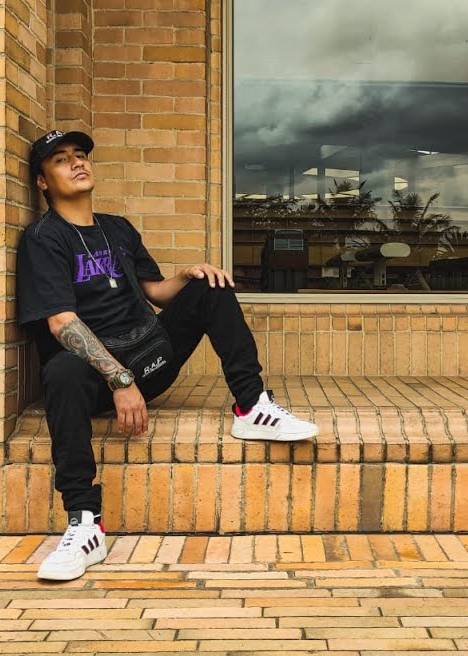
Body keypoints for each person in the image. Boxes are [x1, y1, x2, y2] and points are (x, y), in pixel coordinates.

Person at [16, 129, 318, 581]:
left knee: (210, 285)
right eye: (61, 159)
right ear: (42, 181)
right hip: (95, 379)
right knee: (61, 370)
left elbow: (155, 292)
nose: (77, 163)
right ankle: (85, 523)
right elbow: (62, 323)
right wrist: (120, 380)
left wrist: (188, 275)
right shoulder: (43, 238)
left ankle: (252, 406)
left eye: (80, 154)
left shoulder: (117, 228)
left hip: (149, 357)